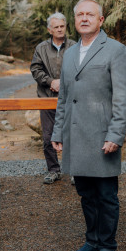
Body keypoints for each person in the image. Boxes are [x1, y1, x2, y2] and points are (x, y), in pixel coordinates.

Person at [51, 0, 126, 251]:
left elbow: (123, 98)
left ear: (101, 20)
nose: (84, 18)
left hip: (102, 136)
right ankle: (92, 241)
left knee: (106, 195)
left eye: (90, 14)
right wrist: (58, 131)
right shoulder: (71, 53)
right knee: (85, 193)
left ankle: (108, 248)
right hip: (75, 135)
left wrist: (116, 134)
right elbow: (63, 97)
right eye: (80, 15)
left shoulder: (115, 50)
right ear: (75, 20)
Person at [30, 12, 76, 185]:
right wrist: (50, 82)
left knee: (71, 135)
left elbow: (79, 69)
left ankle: (73, 171)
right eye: (56, 27)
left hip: (70, 99)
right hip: (46, 98)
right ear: (50, 30)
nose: (59, 29)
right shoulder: (41, 48)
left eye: (62, 26)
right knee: (48, 136)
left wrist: (62, 83)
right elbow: (35, 69)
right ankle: (53, 170)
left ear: (66, 27)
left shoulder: (74, 46)